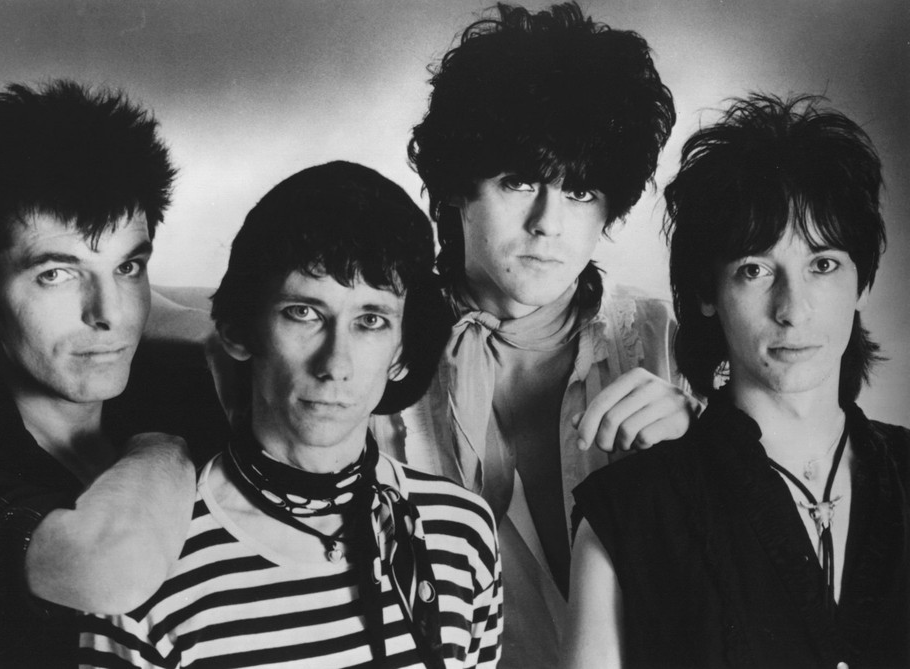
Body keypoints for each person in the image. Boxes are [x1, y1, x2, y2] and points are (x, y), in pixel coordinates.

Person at [367, 3, 699, 665]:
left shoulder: (662, 343)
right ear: (455, 186)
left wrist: (703, 455)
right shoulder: (377, 353)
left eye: (581, 192)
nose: (549, 222)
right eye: (519, 181)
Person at [80, 161, 502, 669]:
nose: (335, 364)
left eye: (370, 320)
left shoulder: (461, 532)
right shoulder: (146, 572)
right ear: (239, 331)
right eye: (303, 313)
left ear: (400, 353)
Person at [565, 94, 910, 668]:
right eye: (755, 270)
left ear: (862, 283)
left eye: (823, 265)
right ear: (707, 293)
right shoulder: (628, 512)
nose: (792, 309)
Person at [0, 80, 200, 668]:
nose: (109, 314)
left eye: (128, 267)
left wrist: (213, 335)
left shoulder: (154, 386)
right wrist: (168, 439)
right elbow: (110, 567)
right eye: (56, 275)